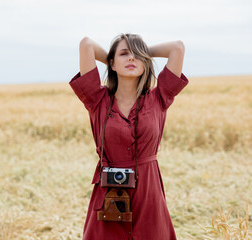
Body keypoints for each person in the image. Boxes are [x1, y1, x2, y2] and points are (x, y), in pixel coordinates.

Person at [69, 33, 189, 240]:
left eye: (137, 56)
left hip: (148, 191)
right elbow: (86, 44)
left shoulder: (159, 97)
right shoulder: (97, 100)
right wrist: (114, 57)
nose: (132, 58)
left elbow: (177, 48)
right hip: (109, 193)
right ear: (112, 65)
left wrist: (139, 52)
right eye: (124, 54)